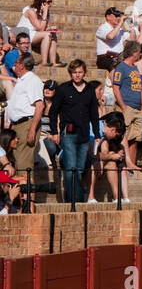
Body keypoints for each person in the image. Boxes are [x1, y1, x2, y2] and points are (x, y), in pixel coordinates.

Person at [48, 58, 100, 206]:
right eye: (74, 72)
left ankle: (77, 198)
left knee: (80, 168)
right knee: (71, 167)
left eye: (80, 72)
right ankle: (73, 200)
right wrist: (54, 131)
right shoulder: (63, 89)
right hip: (68, 133)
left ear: (84, 73)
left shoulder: (89, 89)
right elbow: (53, 112)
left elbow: (94, 114)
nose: (77, 75)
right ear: (70, 73)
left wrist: (96, 135)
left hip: (84, 134)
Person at [5, 54, 44, 176]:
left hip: (26, 124)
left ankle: (27, 194)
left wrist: (32, 130)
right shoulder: (22, 81)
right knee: (17, 162)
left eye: (16, 64)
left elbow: (39, 106)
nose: (14, 66)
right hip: (17, 126)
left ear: (21, 66)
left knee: (23, 165)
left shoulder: (33, 80)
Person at [94, 112, 130, 204]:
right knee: (110, 158)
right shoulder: (97, 129)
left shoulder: (104, 135)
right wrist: (111, 156)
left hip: (94, 158)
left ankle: (117, 198)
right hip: (84, 160)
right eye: (117, 135)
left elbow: (103, 153)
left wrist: (112, 155)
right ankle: (89, 195)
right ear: (113, 130)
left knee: (112, 163)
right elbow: (93, 154)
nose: (116, 137)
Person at [17, 0, 60, 67]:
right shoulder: (30, 11)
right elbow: (41, 29)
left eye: (51, 2)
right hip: (24, 34)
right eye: (48, 2)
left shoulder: (43, 12)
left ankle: (53, 62)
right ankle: (44, 61)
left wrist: (50, 28)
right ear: (42, 2)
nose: (50, 4)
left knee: (53, 34)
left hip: (34, 33)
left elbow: (42, 27)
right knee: (47, 35)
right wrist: (45, 12)